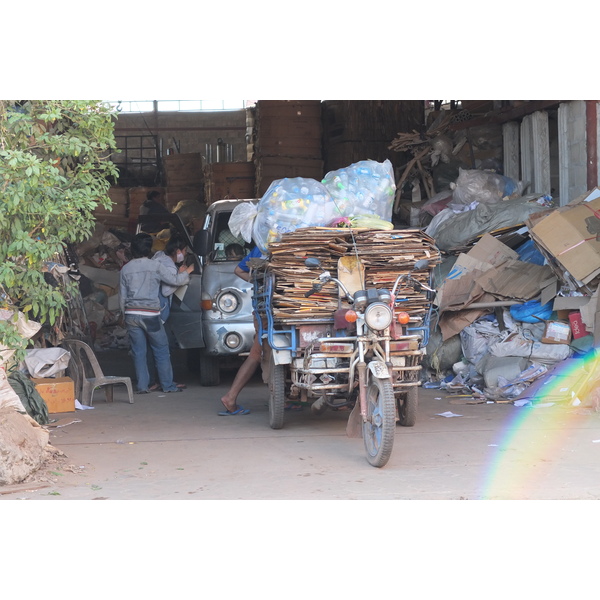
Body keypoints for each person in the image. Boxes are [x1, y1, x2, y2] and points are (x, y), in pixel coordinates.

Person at [119, 233, 194, 394]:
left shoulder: (126, 268)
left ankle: (142, 386)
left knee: (139, 352)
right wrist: (187, 272)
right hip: (150, 314)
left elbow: (122, 296)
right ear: (149, 248)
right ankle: (167, 385)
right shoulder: (155, 266)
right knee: (161, 349)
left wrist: (123, 315)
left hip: (131, 314)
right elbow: (175, 281)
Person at [219, 245, 264, 416]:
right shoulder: (270, 247)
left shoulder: (262, 247)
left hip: (265, 308)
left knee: (268, 354)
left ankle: (283, 398)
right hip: (270, 311)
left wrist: (258, 282)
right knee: (257, 354)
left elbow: (239, 270)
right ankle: (230, 397)